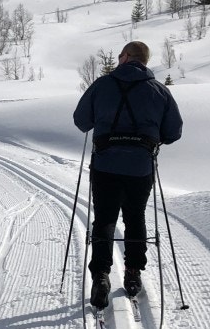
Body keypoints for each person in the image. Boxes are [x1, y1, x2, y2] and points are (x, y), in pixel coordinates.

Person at [73, 41, 183, 308]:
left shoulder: (102, 85)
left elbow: (81, 121)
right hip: (140, 166)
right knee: (135, 217)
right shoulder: (160, 91)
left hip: (106, 164)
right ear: (144, 61)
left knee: (104, 219)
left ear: (126, 57)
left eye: (120, 55)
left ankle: (100, 274)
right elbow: (174, 132)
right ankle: (133, 274)